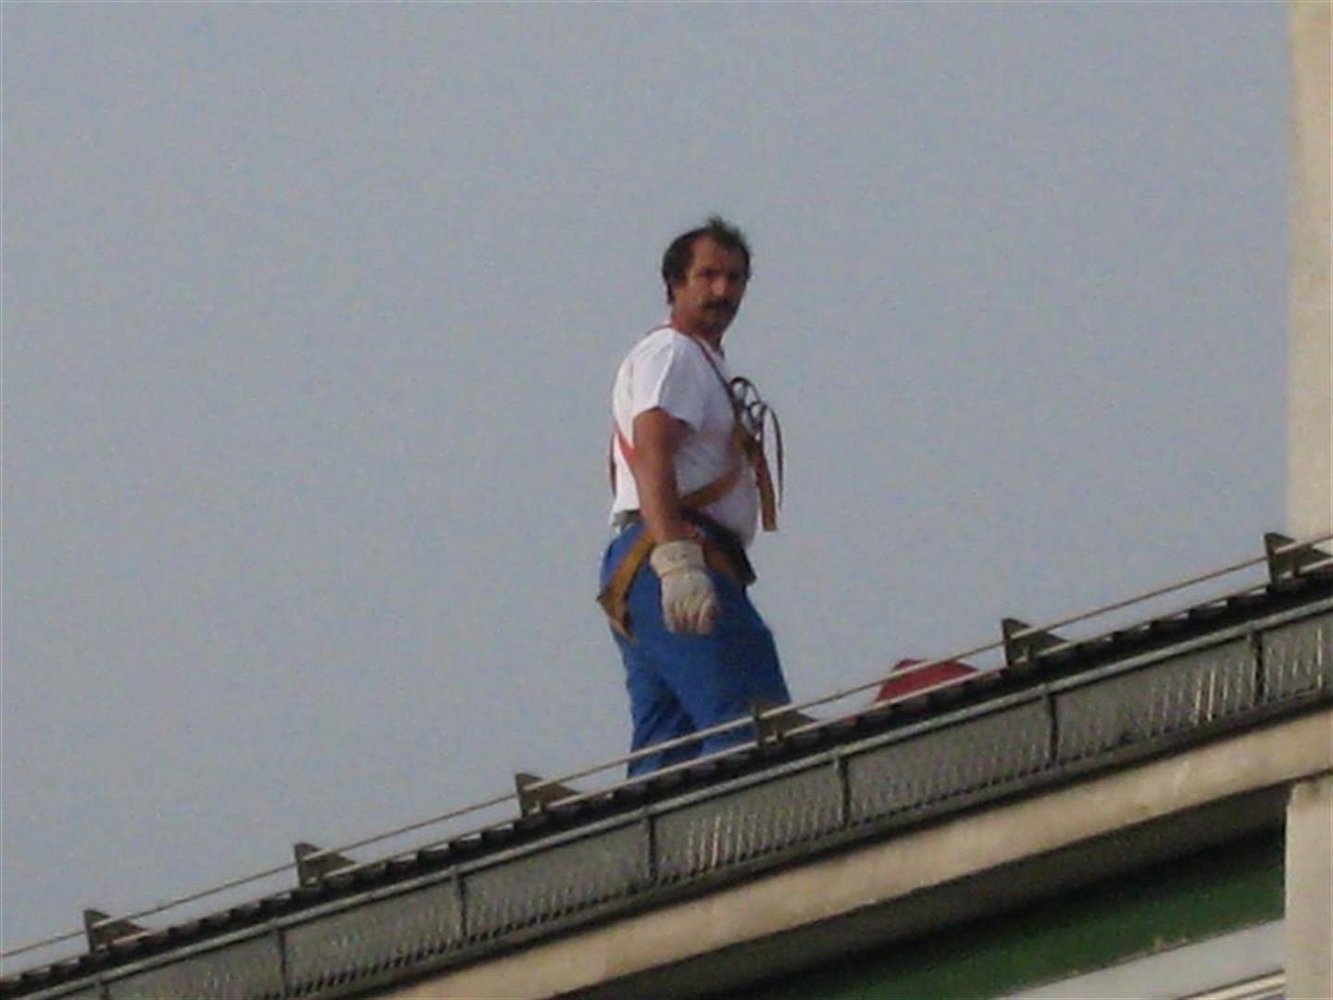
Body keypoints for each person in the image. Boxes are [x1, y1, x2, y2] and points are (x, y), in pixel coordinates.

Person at [598, 216, 792, 777]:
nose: (722, 290)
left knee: (670, 750)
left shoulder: (696, 360)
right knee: (751, 724)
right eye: (707, 276)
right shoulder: (674, 355)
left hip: (647, 558)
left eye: (734, 278)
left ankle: (653, 833)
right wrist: (677, 560)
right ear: (675, 284)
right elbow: (654, 453)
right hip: (673, 549)